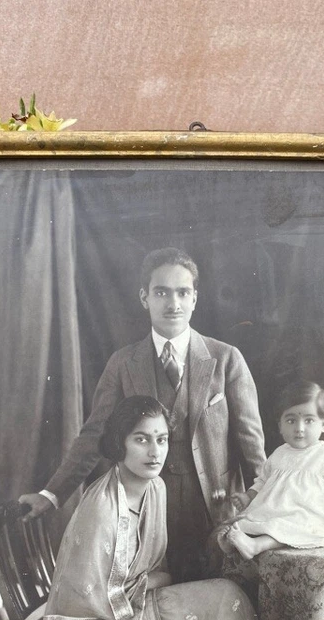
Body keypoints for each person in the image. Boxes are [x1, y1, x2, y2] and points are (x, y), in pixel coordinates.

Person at [20, 396, 292, 620]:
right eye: (141, 439)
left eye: (161, 439)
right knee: (221, 600)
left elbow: (153, 568)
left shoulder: (155, 487)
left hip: (139, 601)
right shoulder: (102, 507)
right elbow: (92, 597)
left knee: (227, 594)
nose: (154, 451)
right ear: (120, 443)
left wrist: (155, 579)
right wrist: (155, 580)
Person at [19, 248, 266, 583]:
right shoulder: (123, 364)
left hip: (215, 514)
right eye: (161, 292)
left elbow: (251, 445)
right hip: (145, 516)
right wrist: (52, 494)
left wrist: (265, 506)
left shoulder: (226, 359)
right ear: (144, 298)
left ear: (195, 299)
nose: (173, 303)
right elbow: (93, 436)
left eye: (182, 293)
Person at [220, 381, 324, 561]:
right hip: (276, 509)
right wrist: (248, 496)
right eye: (291, 420)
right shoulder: (279, 454)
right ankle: (235, 541)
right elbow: (263, 481)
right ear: (280, 425)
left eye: (309, 420)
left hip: (308, 514)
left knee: (288, 526)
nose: (299, 428)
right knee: (250, 522)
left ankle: (256, 546)